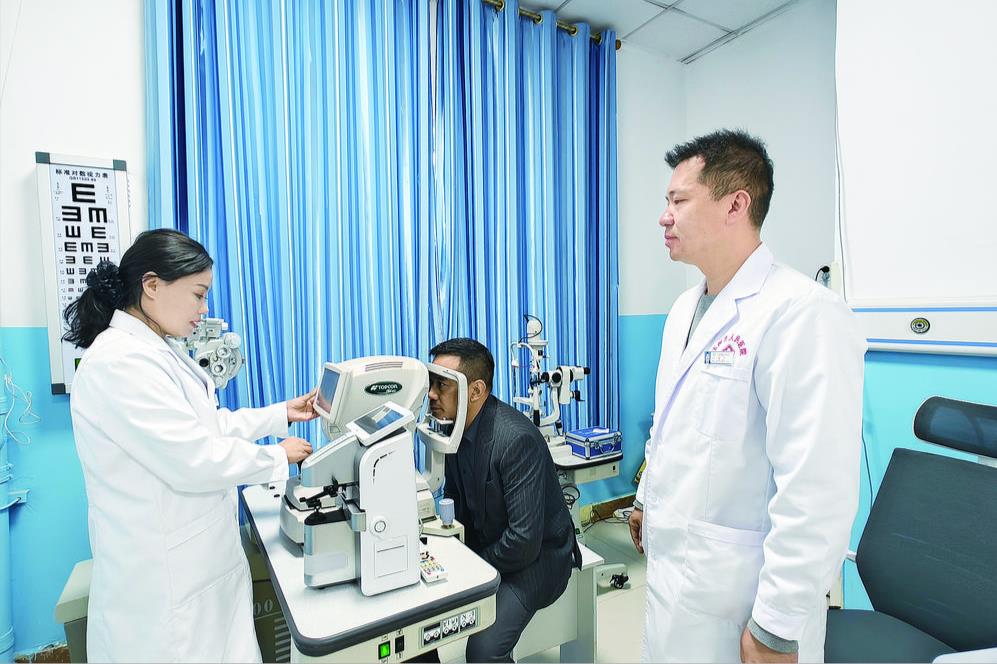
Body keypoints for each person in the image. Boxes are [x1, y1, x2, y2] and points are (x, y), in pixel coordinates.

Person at [627, 130, 866, 663]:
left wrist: (777, 626)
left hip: (741, 596)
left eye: (679, 201)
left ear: (735, 205)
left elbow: (816, 489)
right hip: (677, 578)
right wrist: (646, 498)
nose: (664, 217)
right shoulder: (684, 311)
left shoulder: (803, 315)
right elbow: (669, 424)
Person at [65, 229, 316, 662]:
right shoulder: (119, 363)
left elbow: (204, 427)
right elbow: (192, 457)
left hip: (195, 568)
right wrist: (276, 456)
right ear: (151, 285)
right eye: (198, 294)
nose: (204, 309)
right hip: (165, 590)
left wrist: (280, 414)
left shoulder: (154, 349)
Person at [427, 338, 581, 663]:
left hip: (538, 560)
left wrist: (472, 566)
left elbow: (524, 541)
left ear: (476, 390)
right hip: (492, 547)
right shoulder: (453, 430)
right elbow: (455, 500)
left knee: (484, 651)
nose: (431, 394)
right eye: (431, 382)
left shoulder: (515, 440)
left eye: (442, 384)